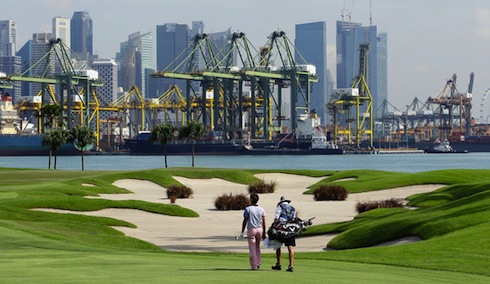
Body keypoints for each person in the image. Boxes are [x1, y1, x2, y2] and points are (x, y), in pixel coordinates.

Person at [241, 193, 266, 270]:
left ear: (250, 200)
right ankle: (258, 263)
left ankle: (254, 265)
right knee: (257, 247)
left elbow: (245, 221)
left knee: (252, 248)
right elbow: (264, 222)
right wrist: (264, 233)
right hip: (260, 229)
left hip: (251, 230)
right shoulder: (262, 209)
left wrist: (242, 231)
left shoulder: (248, 209)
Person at [271, 196, 296, 272]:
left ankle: (278, 264)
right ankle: (291, 266)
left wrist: (273, 227)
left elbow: (276, 218)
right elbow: (294, 219)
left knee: (278, 246)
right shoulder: (292, 208)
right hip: (290, 229)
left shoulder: (280, 207)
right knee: (290, 247)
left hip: (281, 229)